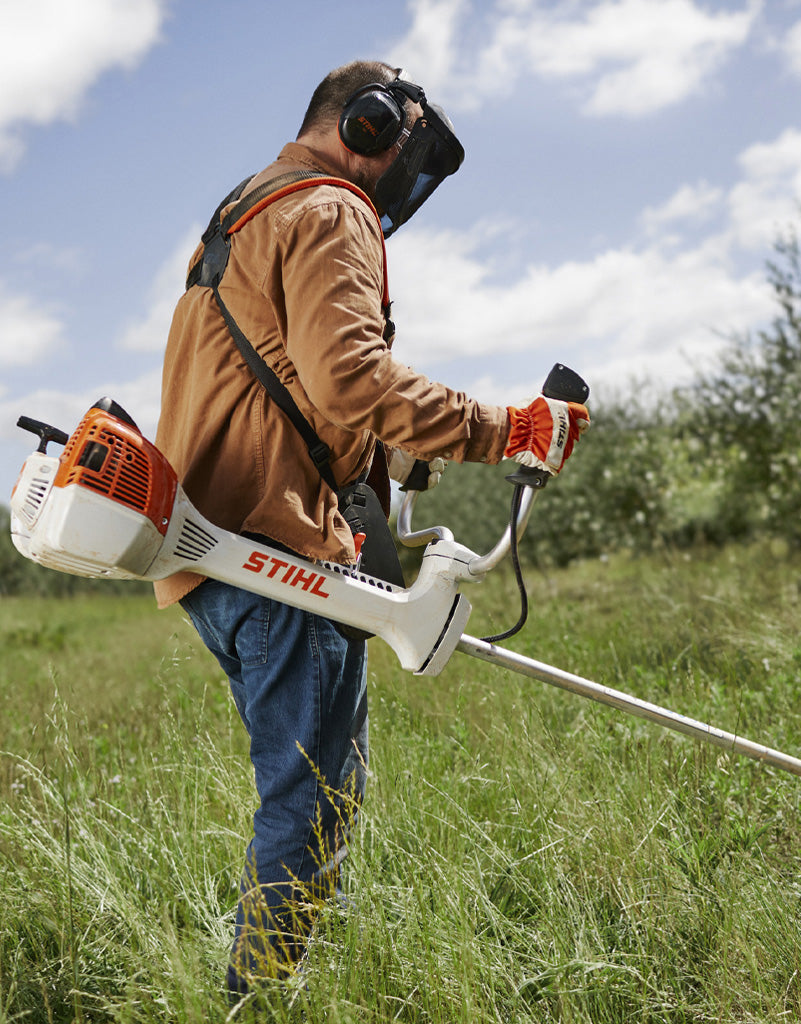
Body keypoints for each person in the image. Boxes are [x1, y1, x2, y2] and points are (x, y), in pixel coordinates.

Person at [153, 59, 589, 998]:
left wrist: (394, 470)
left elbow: (300, 391)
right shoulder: (328, 207)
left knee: (306, 795)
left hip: (222, 554)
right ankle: (261, 1001)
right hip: (274, 554)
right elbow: (351, 378)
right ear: (367, 122)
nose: (405, 174)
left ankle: (267, 985)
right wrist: (508, 428)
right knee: (311, 805)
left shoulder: (243, 215)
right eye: (407, 148)